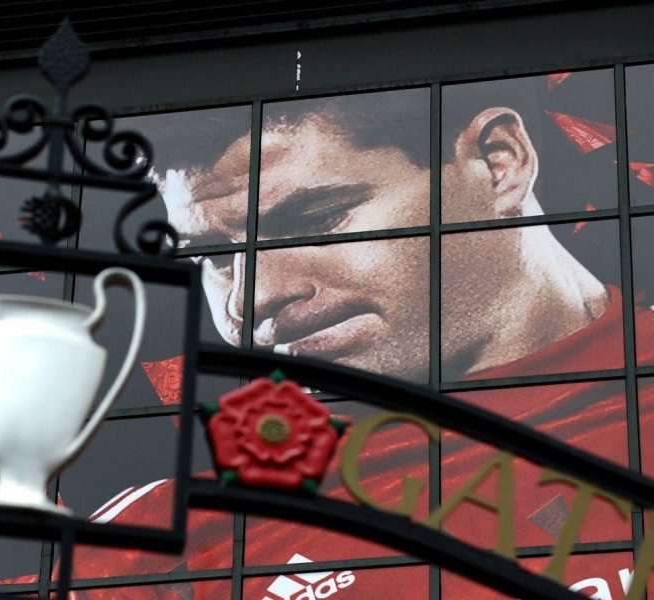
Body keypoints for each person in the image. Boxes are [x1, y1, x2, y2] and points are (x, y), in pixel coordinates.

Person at [53, 75, 653, 598]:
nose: (251, 297)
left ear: (499, 164)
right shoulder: (156, 549)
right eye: (214, 259)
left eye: (313, 222)